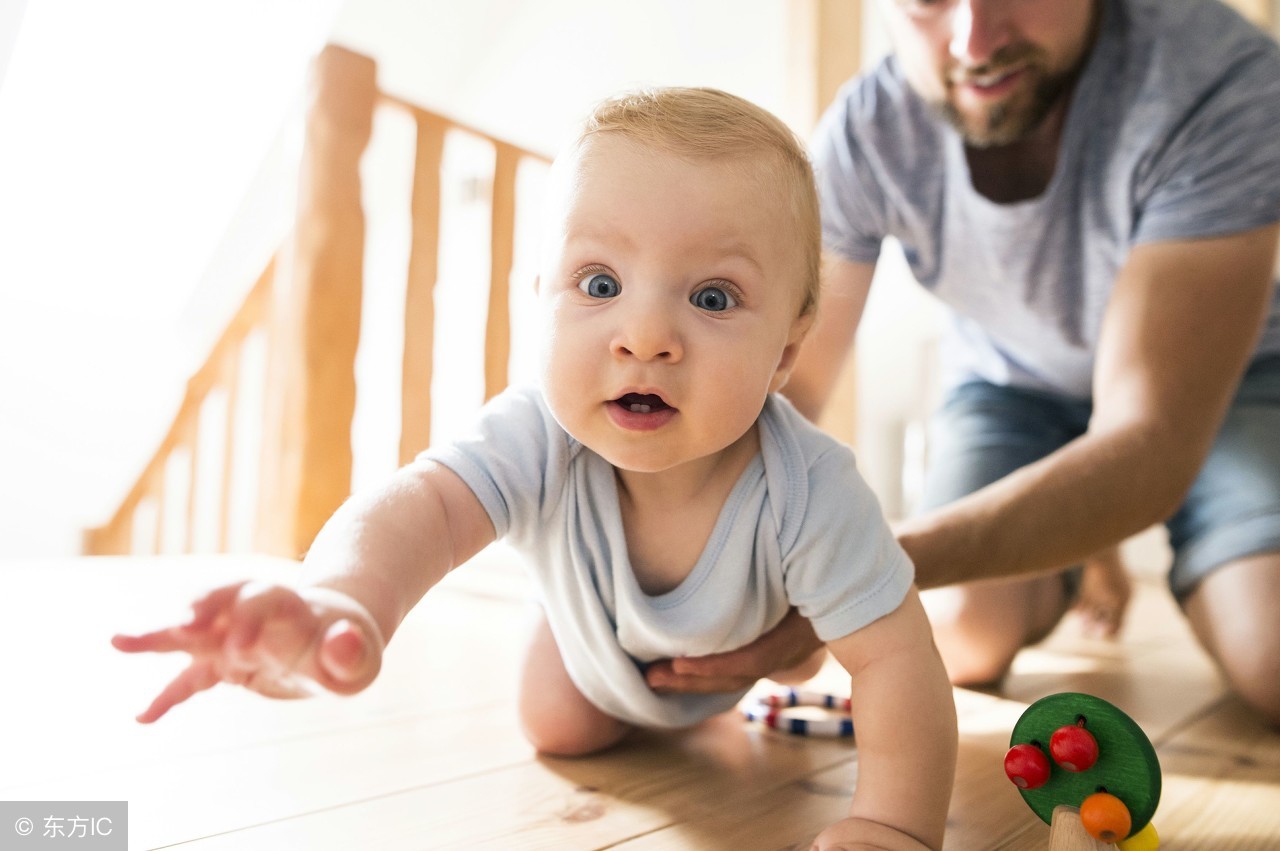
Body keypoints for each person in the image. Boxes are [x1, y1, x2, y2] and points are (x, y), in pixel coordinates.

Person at [113, 87, 958, 850]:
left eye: (711, 298)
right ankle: (568, 616)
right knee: (553, 724)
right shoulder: (539, 433)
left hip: (751, 640)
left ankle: (794, 640)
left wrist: (892, 822)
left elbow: (896, 662)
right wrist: (345, 596)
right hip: (596, 646)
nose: (644, 334)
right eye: (599, 283)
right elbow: (426, 505)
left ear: (788, 349)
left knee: (821, 641)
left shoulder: (809, 485)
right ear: (539, 295)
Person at [644, 0, 1280, 727]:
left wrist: (854, 567)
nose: (976, 41)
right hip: (1011, 385)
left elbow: (1147, 438)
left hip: (1229, 385)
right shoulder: (867, 129)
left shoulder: (1222, 82)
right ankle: (1078, 550)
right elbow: (784, 393)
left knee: (1273, 653)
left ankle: (1095, 534)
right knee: (962, 636)